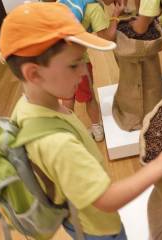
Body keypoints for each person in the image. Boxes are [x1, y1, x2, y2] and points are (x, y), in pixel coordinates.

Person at [0, 2, 162, 239]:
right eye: (73, 64)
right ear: (34, 73)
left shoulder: (29, 105)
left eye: (83, 59)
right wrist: (160, 165)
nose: (84, 72)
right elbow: (107, 199)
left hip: (77, 212)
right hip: (98, 230)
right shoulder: (58, 144)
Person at [51, 0, 125, 142]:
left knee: (67, 97)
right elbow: (107, 37)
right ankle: (97, 129)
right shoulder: (93, 8)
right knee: (88, 95)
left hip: (57, 57)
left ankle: (69, 131)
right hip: (78, 61)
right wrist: (115, 15)